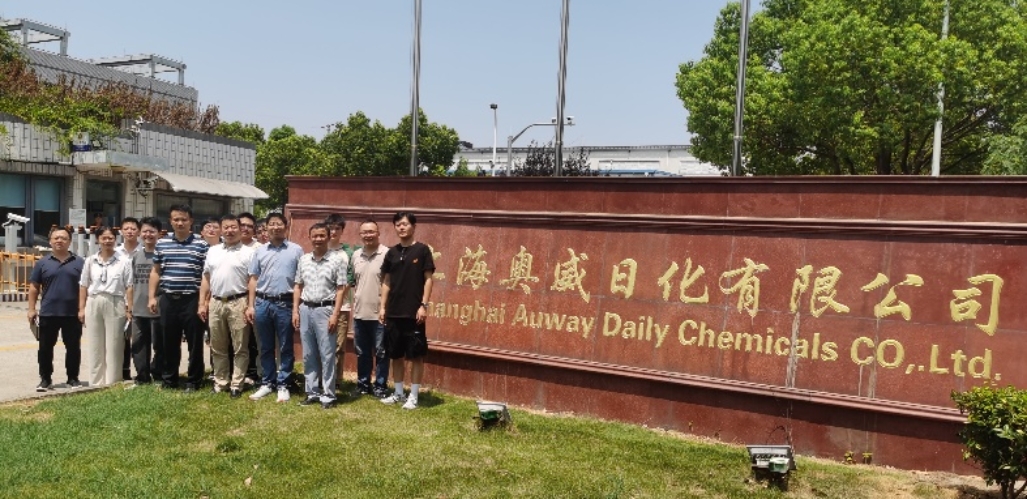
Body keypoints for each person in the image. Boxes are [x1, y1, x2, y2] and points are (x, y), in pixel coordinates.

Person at [148, 204, 209, 392]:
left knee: (195, 343)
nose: (180, 223)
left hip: (191, 299)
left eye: (184, 219)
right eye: (176, 219)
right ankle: (169, 380)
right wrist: (152, 297)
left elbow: (206, 275)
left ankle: (194, 380)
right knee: (169, 342)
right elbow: (156, 272)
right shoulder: (162, 243)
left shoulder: (201, 245)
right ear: (170, 221)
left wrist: (203, 302)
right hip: (168, 299)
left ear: (191, 221)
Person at [379, 212, 434, 410]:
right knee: (395, 355)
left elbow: (428, 279)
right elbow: (386, 281)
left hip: (413, 313)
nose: (401, 227)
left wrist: (423, 305)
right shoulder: (392, 253)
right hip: (393, 312)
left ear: (413, 226)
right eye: (398, 224)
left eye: (405, 224)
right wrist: (383, 307)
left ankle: (414, 396)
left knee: (416, 355)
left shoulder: (422, 250)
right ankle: (399, 393)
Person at [246, 212, 303, 402]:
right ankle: (267, 382)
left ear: (286, 226)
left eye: (279, 224)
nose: (275, 227)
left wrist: (296, 308)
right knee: (265, 345)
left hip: (285, 303)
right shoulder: (260, 251)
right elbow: (253, 279)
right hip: (263, 303)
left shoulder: (296, 250)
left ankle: (283, 383)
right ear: (267, 227)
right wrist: (251, 305)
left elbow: (300, 281)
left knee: (286, 345)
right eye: (272, 224)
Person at [293, 223, 347, 409]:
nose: (318, 239)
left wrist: (335, 314)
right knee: (309, 354)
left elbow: (341, 289)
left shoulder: (337, 260)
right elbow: (298, 286)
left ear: (328, 237)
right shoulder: (304, 260)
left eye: (322, 235)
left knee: (327, 353)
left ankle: (328, 394)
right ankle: (312, 392)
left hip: (326, 310)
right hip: (306, 309)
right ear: (309, 237)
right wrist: (295, 310)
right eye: (315, 236)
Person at [199, 214, 254, 398]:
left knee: (240, 346)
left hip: (239, 302)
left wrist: (250, 305)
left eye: (233, 227)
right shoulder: (213, 251)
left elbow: (252, 281)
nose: (230, 231)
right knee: (217, 345)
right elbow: (206, 278)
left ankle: (237, 383)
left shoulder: (248, 252)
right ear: (221, 230)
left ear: (240, 229)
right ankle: (220, 382)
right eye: (226, 227)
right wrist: (202, 303)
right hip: (216, 302)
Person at [27, 227, 85, 391]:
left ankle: (73, 378)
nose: (60, 241)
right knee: (45, 348)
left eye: (64, 238)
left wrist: (82, 309)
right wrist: (31, 309)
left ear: (69, 241)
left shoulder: (80, 262)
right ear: (50, 241)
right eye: (56, 238)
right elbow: (34, 287)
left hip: (72, 313)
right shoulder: (42, 263)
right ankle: (45, 380)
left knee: (73, 348)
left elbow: (85, 287)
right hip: (48, 313)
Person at [78, 226, 134, 387]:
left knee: (115, 343)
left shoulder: (124, 261)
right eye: (104, 238)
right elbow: (83, 285)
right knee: (95, 343)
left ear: (115, 240)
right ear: (98, 240)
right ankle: (96, 382)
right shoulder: (90, 260)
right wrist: (81, 308)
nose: (107, 241)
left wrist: (129, 308)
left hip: (115, 301)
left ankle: (113, 381)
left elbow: (129, 286)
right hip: (94, 300)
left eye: (111, 238)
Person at [352, 219, 389, 397]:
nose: (368, 235)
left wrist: (384, 307)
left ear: (378, 233)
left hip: (379, 313)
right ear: (360, 235)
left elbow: (390, 283)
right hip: (360, 313)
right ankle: (363, 384)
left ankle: (380, 386)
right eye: (364, 232)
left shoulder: (387, 254)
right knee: (362, 352)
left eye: (371, 231)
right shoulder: (356, 255)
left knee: (381, 352)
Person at [129, 217, 164, 386]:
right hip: (138, 309)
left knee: (160, 345)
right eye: (145, 231)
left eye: (152, 231)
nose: (148, 235)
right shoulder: (136, 255)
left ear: (159, 233)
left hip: (159, 309)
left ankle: (158, 374)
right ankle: (142, 377)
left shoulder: (163, 254)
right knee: (138, 345)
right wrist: (130, 306)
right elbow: (132, 283)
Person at [325, 213, 357, 391]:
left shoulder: (348, 253)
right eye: (330, 228)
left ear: (342, 230)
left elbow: (350, 279)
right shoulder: (320, 249)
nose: (333, 231)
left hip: (342, 306)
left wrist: (336, 298)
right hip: (320, 306)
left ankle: (336, 380)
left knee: (338, 345)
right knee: (321, 344)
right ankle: (321, 378)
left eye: (337, 228)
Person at [235, 212, 262, 387]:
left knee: (252, 337)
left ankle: (252, 373)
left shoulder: (259, 248)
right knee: (235, 337)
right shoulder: (229, 245)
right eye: (242, 225)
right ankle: (234, 371)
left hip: (252, 297)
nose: (245, 228)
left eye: (249, 226)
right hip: (233, 297)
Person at [116, 217, 141, 381]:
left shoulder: (145, 250)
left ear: (138, 231)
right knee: (122, 337)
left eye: (133, 229)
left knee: (140, 338)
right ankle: (124, 371)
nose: (130, 231)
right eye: (126, 229)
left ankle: (143, 371)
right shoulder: (116, 252)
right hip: (121, 300)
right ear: (121, 231)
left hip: (142, 299)